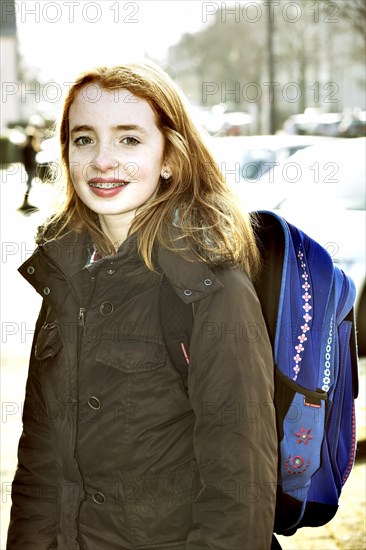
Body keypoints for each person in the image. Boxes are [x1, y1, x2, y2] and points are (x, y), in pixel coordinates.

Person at [7, 63, 278, 550]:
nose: (103, 161)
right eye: (84, 139)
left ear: (170, 157)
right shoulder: (64, 277)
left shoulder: (210, 286)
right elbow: (38, 470)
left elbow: (240, 490)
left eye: (129, 140)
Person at [18, 126, 41, 213]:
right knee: (29, 185)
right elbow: (31, 160)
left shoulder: (25, 147)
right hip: (30, 168)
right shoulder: (29, 148)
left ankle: (26, 202)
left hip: (28, 168)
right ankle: (25, 202)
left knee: (29, 185)